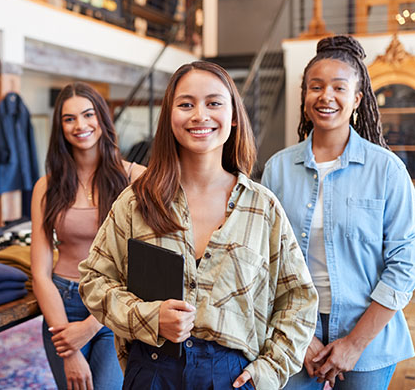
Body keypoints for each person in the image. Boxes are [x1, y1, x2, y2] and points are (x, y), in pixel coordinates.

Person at [78, 61, 318, 390]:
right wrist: (148, 316)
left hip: (232, 375)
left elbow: (298, 299)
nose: (200, 115)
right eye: (186, 104)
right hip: (152, 369)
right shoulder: (138, 201)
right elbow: (94, 279)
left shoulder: (261, 207)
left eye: (214, 103)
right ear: (170, 116)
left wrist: (268, 371)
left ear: (234, 117)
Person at [261, 35, 415, 389]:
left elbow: (406, 261)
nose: (326, 96)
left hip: (368, 335)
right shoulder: (277, 169)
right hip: (292, 333)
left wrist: (354, 344)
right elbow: (264, 261)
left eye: (339, 87)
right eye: (315, 87)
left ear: (357, 99)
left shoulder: (387, 170)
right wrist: (301, 337)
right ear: (304, 95)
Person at [31, 82, 145, 390]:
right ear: (61, 127)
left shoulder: (136, 178)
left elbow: (146, 266)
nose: (80, 125)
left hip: (115, 306)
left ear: (103, 119)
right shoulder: (47, 186)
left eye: (88, 114)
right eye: (69, 119)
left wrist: (90, 326)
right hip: (63, 305)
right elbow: (40, 273)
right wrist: (68, 346)